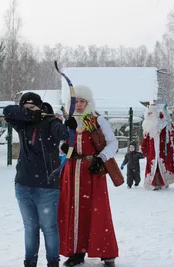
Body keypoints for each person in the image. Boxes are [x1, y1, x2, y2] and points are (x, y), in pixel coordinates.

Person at [3, 92, 77, 267]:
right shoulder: (21, 123)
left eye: (32, 107)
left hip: (46, 186)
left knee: (49, 228)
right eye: (25, 108)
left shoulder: (50, 121)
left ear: (40, 106)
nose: (28, 110)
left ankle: (53, 263)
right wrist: (29, 114)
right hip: (22, 184)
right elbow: (7, 111)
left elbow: (63, 134)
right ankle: (30, 262)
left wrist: (69, 127)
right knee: (30, 227)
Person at [58, 85, 119, 267]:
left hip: (92, 171)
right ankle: (76, 252)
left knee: (97, 210)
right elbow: (61, 143)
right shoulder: (68, 121)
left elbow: (112, 143)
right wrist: (62, 145)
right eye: (75, 101)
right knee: (73, 210)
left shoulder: (97, 120)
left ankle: (106, 253)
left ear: (88, 102)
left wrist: (101, 159)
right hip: (72, 171)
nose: (79, 105)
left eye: (82, 101)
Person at [141, 104, 174, 190]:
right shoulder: (147, 125)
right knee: (153, 166)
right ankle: (154, 183)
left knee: (162, 165)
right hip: (152, 151)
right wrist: (144, 148)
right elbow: (145, 138)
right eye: (149, 113)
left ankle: (163, 182)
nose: (149, 115)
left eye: (151, 113)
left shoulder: (164, 123)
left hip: (163, 149)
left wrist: (172, 141)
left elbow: (172, 134)